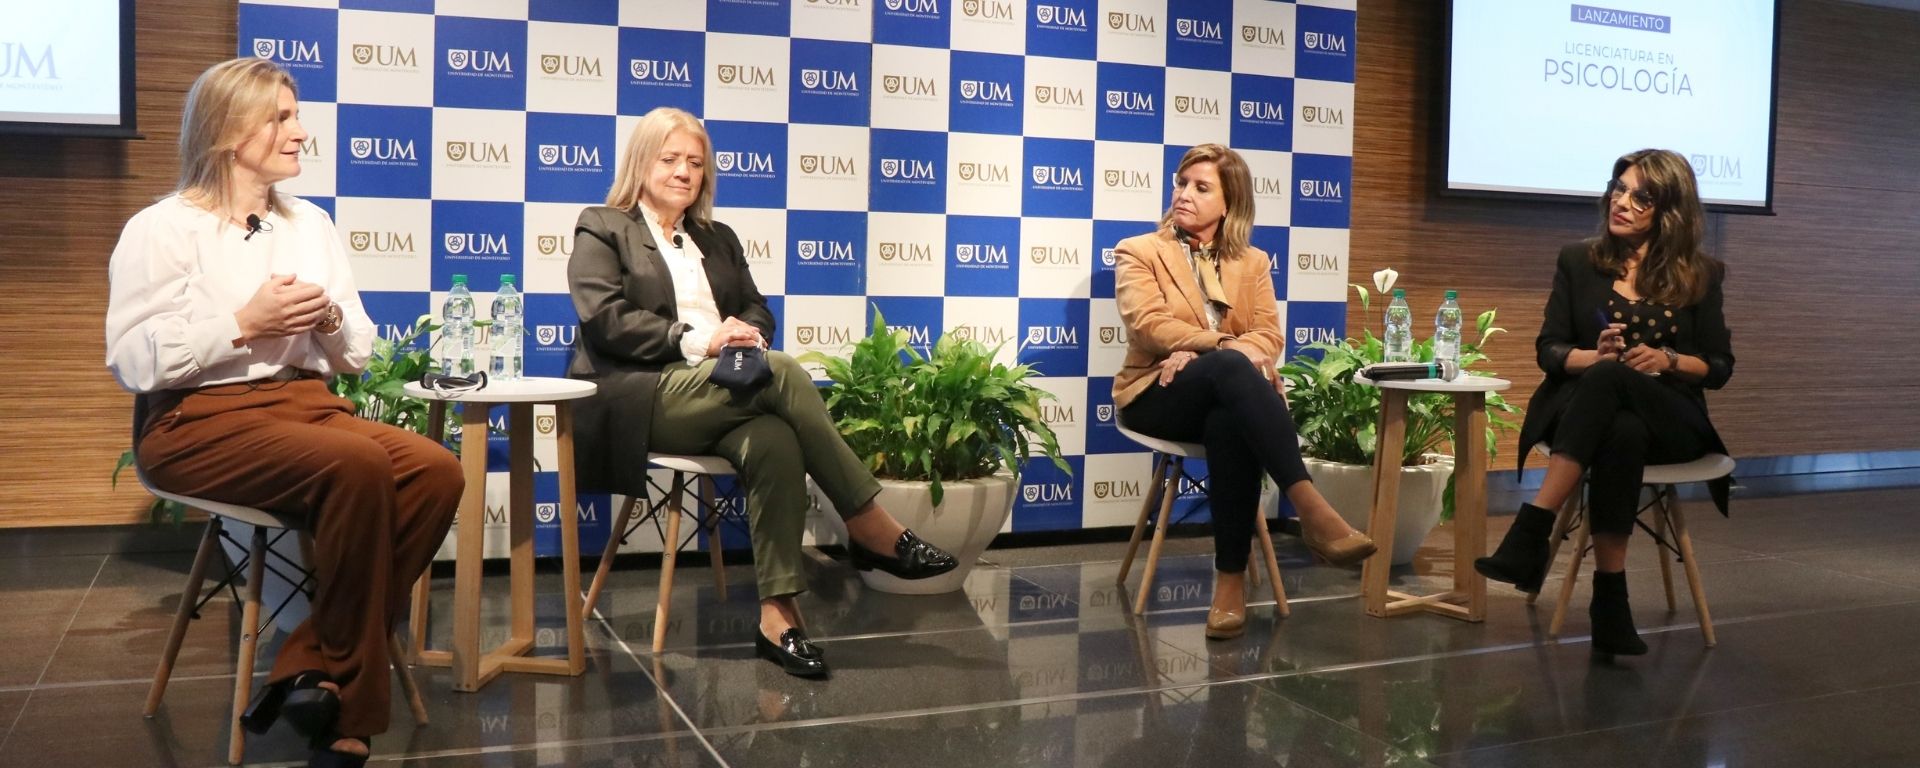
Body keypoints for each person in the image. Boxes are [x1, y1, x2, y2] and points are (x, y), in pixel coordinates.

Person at [105, 58, 462, 767]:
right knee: (357, 461)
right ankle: (349, 718)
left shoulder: (312, 225)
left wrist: (326, 316)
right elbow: (133, 361)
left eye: (297, 115)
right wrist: (243, 321)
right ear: (229, 131)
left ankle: (307, 661)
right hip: (193, 420)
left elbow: (357, 352)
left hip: (302, 404)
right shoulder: (161, 228)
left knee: (436, 470)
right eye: (282, 117)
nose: (302, 132)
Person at [566, 107, 958, 678]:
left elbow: (756, 309)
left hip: (724, 388)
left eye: (694, 163)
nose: (683, 172)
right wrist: (701, 340)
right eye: (670, 158)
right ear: (642, 161)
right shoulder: (604, 225)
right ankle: (869, 524)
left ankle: (779, 617)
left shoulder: (716, 237)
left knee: (774, 438)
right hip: (646, 393)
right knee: (785, 372)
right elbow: (604, 318)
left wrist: (745, 335)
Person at [1111, 143, 1378, 641]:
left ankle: (1229, 585)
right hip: (1158, 392)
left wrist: (1213, 355)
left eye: (1201, 187)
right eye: (1181, 183)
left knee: (1230, 418)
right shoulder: (1139, 250)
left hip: (1220, 397)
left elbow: (1270, 336)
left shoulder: (1252, 262)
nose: (1184, 194)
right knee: (1233, 366)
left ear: (1229, 202)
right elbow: (1148, 326)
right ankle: (1313, 512)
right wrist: (1216, 345)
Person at [1475, 148, 1734, 659]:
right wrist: (1595, 356)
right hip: (1601, 420)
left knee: (1619, 392)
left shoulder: (1702, 274)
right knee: (1620, 429)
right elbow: (1548, 350)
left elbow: (1720, 367)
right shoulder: (1579, 260)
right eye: (1619, 189)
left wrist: (1667, 360)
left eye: (1641, 197)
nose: (1623, 202)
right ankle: (1611, 608)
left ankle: (1531, 532)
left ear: (1670, 211)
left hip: (1673, 421)